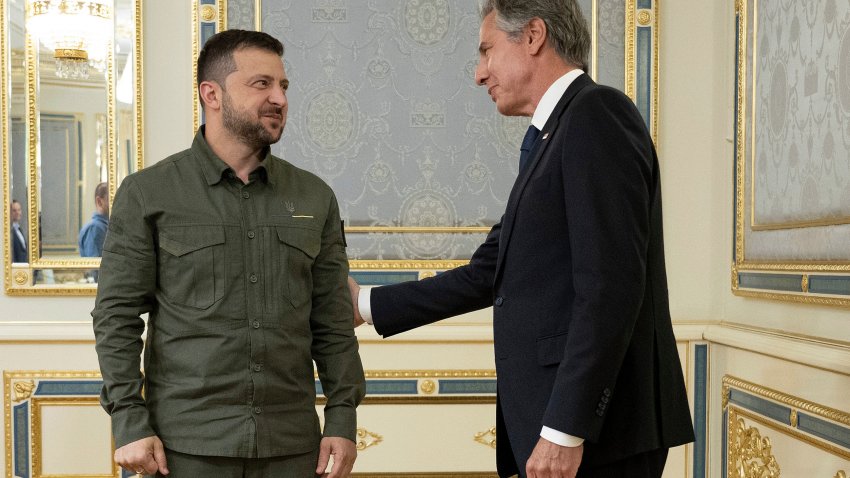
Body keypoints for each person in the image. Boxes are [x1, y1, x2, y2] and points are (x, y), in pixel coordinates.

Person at [349, 1, 694, 477]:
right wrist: (365, 304)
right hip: (568, 426)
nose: (479, 73)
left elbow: (611, 288)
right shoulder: (552, 135)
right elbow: (489, 272)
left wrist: (564, 430)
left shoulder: (597, 115)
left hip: (597, 435)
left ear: (533, 36)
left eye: (487, 50)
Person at [92, 29, 365, 478]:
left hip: (294, 448)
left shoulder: (315, 197)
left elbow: (332, 319)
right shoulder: (148, 193)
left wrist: (342, 417)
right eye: (262, 84)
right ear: (211, 94)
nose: (279, 97)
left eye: (284, 86)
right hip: (185, 449)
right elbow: (115, 315)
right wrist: (128, 419)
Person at [78, 182, 109, 257]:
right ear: (99, 201)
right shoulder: (95, 228)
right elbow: (95, 265)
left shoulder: (105, 226)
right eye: (111, 199)